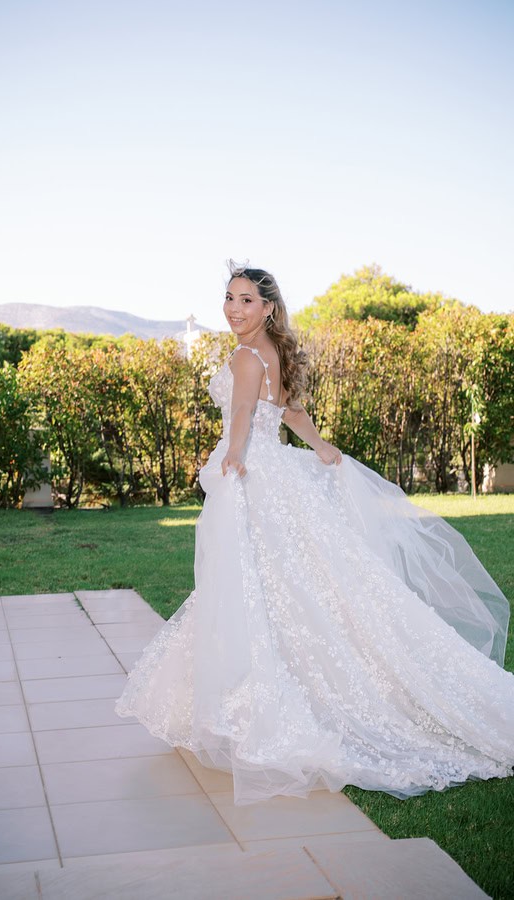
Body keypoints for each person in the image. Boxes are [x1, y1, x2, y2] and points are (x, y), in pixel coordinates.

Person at [115, 262, 513, 806]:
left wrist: (231, 459)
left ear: (269, 308)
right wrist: (321, 446)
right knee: (295, 583)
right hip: (277, 473)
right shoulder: (273, 353)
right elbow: (289, 411)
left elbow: (242, 418)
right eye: (229, 298)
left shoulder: (244, 356)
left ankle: (262, 696)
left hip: (254, 476)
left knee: (253, 587)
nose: (234, 309)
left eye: (247, 301)